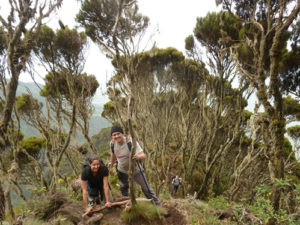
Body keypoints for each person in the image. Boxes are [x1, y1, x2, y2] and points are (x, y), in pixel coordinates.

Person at [109, 124, 161, 205]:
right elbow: (113, 154)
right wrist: (111, 166)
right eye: (114, 135)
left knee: (146, 188)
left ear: (122, 134)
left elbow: (143, 155)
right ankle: (126, 205)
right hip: (122, 171)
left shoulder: (130, 142)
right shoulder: (112, 144)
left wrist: (138, 156)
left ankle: (158, 206)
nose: (116, 136)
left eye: (118, 133)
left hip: (136, 170)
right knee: (123, 188)